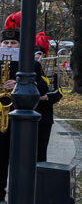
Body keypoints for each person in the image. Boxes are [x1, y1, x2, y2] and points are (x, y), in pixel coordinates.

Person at [0, 14, 45, 203]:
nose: (9, 46)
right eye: (6, 43)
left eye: (13, 43)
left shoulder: (30, 65)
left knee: (20, 158)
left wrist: (19, 84)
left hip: (21, 117)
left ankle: (19, 193)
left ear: (20, 46)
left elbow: (42, 88)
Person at [35, 33, 62, 163]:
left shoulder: (52, 74)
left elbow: (59, 93)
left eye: (39, 54)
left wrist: (46, 98)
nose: (36, 57)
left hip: (44, 117)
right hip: (26, 117)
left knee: (41, 150)